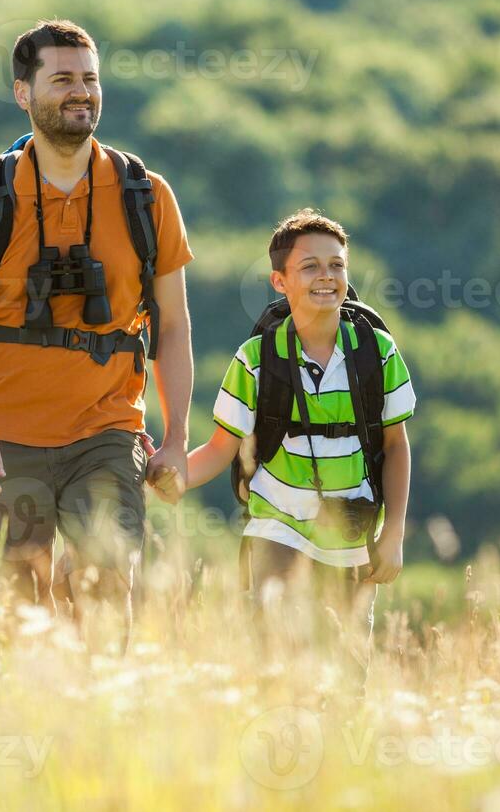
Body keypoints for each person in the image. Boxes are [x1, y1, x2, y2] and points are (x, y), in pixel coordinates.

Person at [0, 19, 194, 645]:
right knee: (14, 614)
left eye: (91, 80)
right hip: (1, 440)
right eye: (63, 79)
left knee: (108, 581)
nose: (81, 92)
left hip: (107, 430)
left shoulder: (146, 197)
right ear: (23, 93)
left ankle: (103, 720)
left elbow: (173, 326)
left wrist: (176, 436)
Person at [159, 210, 414, 684]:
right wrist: (174, 478)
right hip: (276, 528)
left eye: (337, 265)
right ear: (280, 280)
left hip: (352, 537)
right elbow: (221, 447)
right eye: (310, 266)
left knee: (345, 680)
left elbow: (396, 448)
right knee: (276, 663)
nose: (327, 276)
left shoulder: (377, 352)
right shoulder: (256, 359)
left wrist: (393, 534)